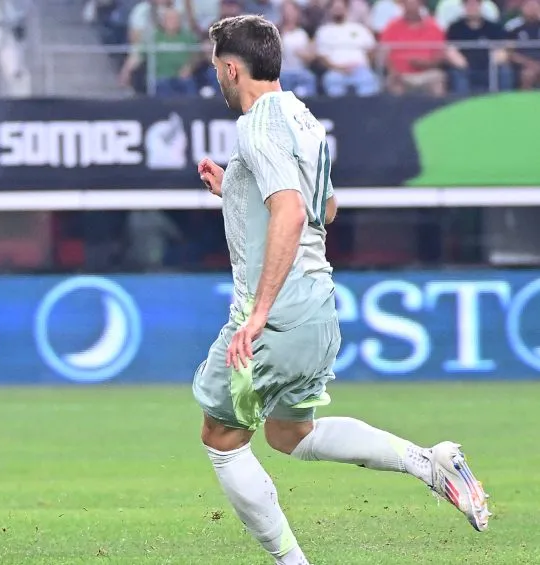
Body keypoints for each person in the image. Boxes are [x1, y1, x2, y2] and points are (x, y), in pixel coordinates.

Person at [193, 15, 490, 565]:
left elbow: (290, 209)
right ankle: (428, 462)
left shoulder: (256, 124)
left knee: (222, 437)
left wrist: (257, 315)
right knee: (289, 433)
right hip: (317, 307)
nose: (218, 78)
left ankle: (291, 562)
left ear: (232, 68)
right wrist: (232, 187)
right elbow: (324, 208)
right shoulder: (305, 119)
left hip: (278, 313)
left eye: (217, 68)